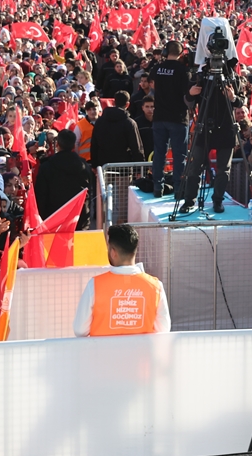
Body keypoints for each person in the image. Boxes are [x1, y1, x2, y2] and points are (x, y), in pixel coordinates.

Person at [73, 224, 171, 336]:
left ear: (113, 252)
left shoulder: (94, 285)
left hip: (103, 352)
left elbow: (80, 330)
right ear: (135, 251)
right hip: (142, 353)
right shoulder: (156, 286)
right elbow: (163, 330)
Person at [180, 60, 239, 214]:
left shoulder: (232, 76)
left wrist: (232, 98)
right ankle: (189, 200)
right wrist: (190, 94)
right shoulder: (200, 77)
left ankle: (218, 200)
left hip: (226, 128)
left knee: (223, 169)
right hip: (204, 127)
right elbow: (188, 102)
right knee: (195, 166)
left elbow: (241, 101)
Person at [150, 40, 192, 196]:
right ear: (181, 54)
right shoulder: (183, 71)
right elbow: (188, 93)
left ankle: (157, 187)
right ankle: (178, 188)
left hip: (159, 117)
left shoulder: (157, 68)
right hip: (178, 118)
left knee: (159, 153)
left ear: (165, 53)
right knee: (179, 155)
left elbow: (152, 85)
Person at [32, 129, 95, 220]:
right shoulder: (84, 166)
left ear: (57, 145)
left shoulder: (47, 166)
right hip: (78, 217)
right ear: (73, 146)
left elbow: (41, 194)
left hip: (53, 217)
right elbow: (88, 190)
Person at [89, 91, 144, 167]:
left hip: (103, 167)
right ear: (127, 104)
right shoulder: (130, 123)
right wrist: (139, 168)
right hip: (124, 168)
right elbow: (136, 147)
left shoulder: (100, 121)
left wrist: (94, 165)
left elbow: (94, 145)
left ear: (114, 102)